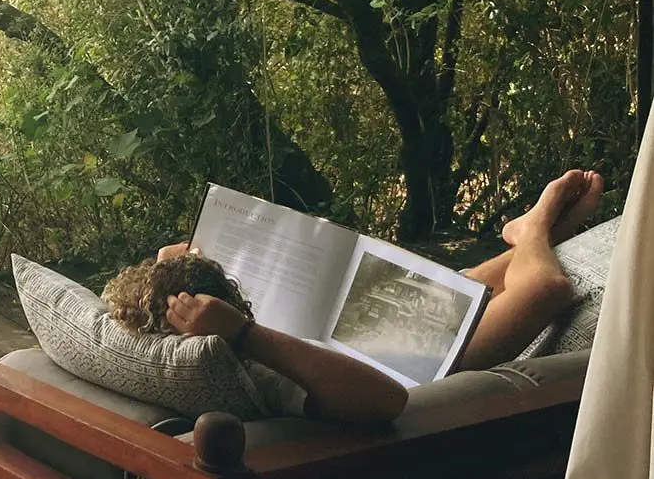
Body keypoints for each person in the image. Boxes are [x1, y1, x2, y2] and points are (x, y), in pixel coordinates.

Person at [101, 169, 603, 424]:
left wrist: (167, 270)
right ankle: (532, 230)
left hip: (364, 342)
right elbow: (386, 399)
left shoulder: (145, 339)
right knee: (543, 287)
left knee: (463, 283)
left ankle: (543, 239)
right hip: (413, 368)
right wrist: (244, 331)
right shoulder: (247, 363)